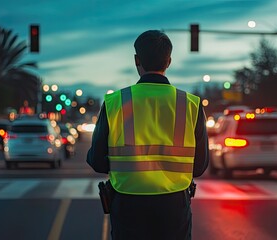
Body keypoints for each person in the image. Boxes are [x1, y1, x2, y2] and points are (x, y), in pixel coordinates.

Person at [87, 30, 208, 240]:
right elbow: (199, 166)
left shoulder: (114, 103)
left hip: (128, 203)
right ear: (168, 61)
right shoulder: (190, 105)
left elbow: (97, 162)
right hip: (174, 205)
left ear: (137, 60)